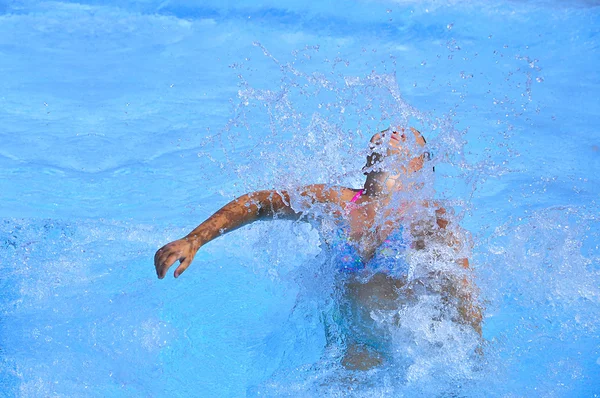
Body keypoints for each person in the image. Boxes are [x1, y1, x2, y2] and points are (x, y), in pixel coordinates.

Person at [154, 127, 482, 371]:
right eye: (385, 131)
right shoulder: (337, 203)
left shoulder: (426, 217)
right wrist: (195, 238)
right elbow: (261, 204)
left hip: (410, 364)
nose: (394, 132)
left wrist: (472, 364)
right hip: (349, 358)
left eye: (408, 135)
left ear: (419, 166)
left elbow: (464, 297)